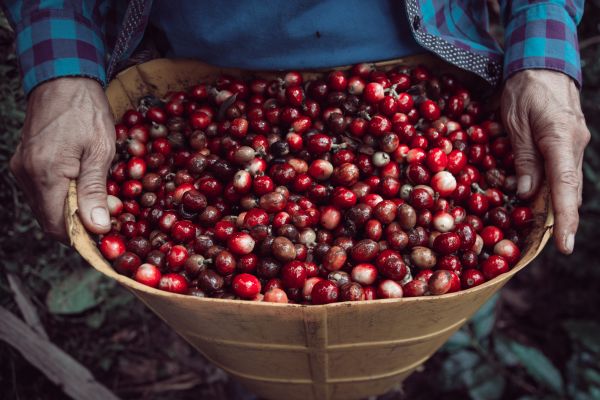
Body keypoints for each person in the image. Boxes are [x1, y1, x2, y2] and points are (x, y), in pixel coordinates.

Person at [2, 0, 589, 255]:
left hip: (432, 64)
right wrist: (62, 69)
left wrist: (541, 48)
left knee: (446, 285)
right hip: (200, 68)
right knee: (237, 332)